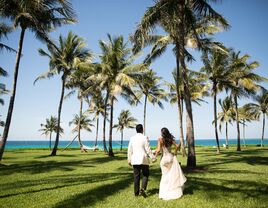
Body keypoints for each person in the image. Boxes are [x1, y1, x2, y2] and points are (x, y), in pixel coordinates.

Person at [154, 127, 187, 200]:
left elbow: (159, 150)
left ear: (162, 133)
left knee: (164, 176)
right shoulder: (170, 139)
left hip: (165, 159)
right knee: (171, 175)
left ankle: (164, 193)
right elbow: (178, 146)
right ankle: (173, 191)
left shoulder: (160, 140)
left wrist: (154, 157)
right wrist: (175, 153)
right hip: (171, 158)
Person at [128, 124, 156, 196]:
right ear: (142, 129)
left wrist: (129, 160)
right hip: (143, 159)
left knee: (136, 176)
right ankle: (142, 189)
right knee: (146, 174)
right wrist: (153, 158)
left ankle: (136, 193)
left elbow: (129, 150)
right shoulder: (144, 138)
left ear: (136, 130)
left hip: (135, 160)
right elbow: (148, 150)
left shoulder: (132, 138)